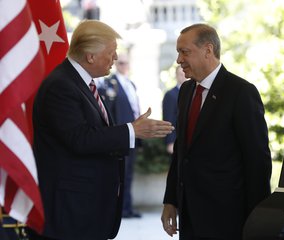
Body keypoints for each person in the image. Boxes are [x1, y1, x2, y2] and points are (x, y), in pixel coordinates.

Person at [27, 19, 174, 240]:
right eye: (112, 52)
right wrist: (132, 131)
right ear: (90, 56)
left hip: (85, 207)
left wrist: (131, 130)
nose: (115, 58)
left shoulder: (83, 83)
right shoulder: (61, 85)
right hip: (70, 211)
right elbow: (80, 139)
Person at [161, 23, 272, 240]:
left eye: (185, 52)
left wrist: (257, 221)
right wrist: (171, 200)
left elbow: (258, 161)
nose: (179, 60)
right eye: (178, 52)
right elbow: (182, 152)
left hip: (228, 219)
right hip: (190, 216)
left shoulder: (241, 93)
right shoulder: (185, 91)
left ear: (208, 50)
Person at [98, 53, 142, 218]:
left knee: (129, 174)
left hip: (133, 136)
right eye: (120, 63)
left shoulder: (131, 83)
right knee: (120, 175)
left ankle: (127, 207)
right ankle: (119, 209)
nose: (123, 66)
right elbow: (109, 113)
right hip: (121, 136)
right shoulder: (110, 83)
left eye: (126, 63)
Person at [162, 65, 187, 155]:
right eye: (180, 74)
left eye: (185, 73)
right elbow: (168, 119)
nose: (183, 76)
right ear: (176, 76)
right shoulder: (170, 95)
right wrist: (170, 142)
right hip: (176, 140)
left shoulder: (193, 91)